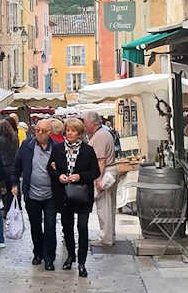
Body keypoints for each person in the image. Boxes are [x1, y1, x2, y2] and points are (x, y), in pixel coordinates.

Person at [12, 118, 64, 270]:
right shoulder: (26, 146)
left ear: (50, 133)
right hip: (32, 194)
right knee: (35, 226)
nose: (39, 133)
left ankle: (49, 258)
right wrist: (14, 183)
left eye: (43, 131)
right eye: (37, 130)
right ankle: (38, 253)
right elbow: (17, 167)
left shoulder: (57, 148)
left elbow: (63, 169)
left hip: (51, 195)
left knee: (50, 226)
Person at [57, 118, 100, 278]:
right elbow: (51, 167)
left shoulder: (88, 150)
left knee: (82, 228)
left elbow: (95, 172)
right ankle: (70, 256)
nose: (69, 133)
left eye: (73, 130)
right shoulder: (58, 148)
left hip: (83, 195)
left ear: (80, 133)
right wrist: (59, 175)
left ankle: (82, 263)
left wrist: (79, 176)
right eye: (67, 130)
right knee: (67, 227)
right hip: (65, 195)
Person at [83, 111, 116, 247]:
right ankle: (109, 235)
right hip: (108, 171)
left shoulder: (100, 136)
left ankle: (106, 238)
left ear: (92, 123)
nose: (84, 126)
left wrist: (98, 180)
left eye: (85, 123)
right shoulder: (102, 133)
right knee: (108, 206)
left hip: (105, 172)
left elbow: (100, 161)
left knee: (104, 207)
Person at [0, 120, 19, 217]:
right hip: (13, 167)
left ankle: (6, 209)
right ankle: (9, 209)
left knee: (3, 191)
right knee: (11, 190)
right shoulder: (15, 138)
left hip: (3, 167)